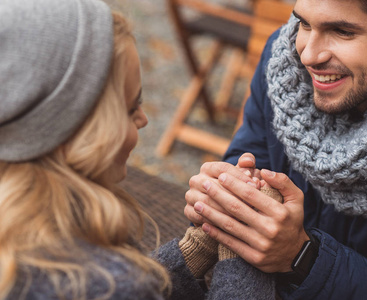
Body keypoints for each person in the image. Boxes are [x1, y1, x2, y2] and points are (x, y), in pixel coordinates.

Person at [0, 0, 275, 299]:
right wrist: (246, 246)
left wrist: (196, 248)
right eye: (131, 109)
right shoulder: (101, 283)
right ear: (80, 132)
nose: (144, 120)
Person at [184, 0, 367, 299]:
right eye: (304, 23)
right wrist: (225, 195)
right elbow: (248, 152)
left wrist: (302, 258)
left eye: (342, 31)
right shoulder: (282, 63)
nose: (308, 54)